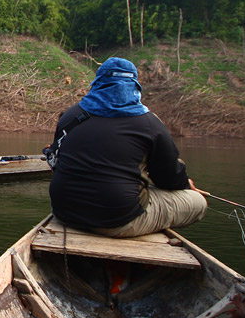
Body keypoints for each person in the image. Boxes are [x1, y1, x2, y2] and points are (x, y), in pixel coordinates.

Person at [48, 57, 207, 238]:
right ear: (134, 85)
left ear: (98, 83)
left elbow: (56, 160)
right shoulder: (149, 124)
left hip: (64, 211)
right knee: (198, 202)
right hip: (117, 220)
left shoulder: (71, 116)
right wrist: (186, 184)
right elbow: (169, 178)